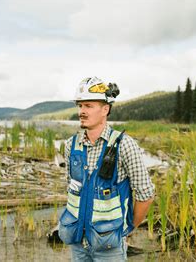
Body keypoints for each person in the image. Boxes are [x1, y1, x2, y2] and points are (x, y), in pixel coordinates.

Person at [58, 77, 155, 261]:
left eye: (88, 105)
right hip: (77, 243)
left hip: (110, 248)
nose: (82, 111)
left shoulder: (125, 145)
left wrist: (128, 229)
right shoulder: (71, 145)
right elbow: (71, 188)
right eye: (80, 106)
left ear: (105, 109)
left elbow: (146, 195)